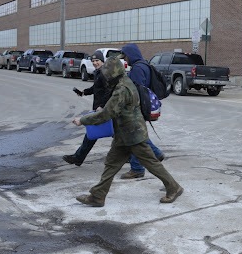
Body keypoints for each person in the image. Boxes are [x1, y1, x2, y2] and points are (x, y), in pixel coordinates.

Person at [72, 57, 183, 206]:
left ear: (113, 73)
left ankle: (174, 187)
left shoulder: (122, 89)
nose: (105, 77)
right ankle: (97, 196)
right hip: (124, 135)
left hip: (133, 135)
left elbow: (107, 113)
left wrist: (83, 120)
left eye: (107, 74)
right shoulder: (123, 82)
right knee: (111, 164)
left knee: (151, 163)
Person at [119, 43, 165, 179]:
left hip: (136, 107)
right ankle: (155, 153)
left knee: (135, 138)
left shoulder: (138, 68)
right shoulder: (144, 65)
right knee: (138, 136)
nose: (125, 60)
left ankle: (137, 168)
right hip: (141, 106)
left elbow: (136, 90)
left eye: (125, 57)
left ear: (130, 55)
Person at [63, 51, 113, 166]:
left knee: (116, 134)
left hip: (105, 110)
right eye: (93, 61)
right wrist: (84, 92)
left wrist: (102, 106)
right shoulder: (98, 73)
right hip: (100, 109)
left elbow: (109, 91)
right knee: (92, 134)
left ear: (102, 61)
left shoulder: (104, 73)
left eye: (97, 61)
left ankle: (136, 155)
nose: (95, 63)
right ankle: (78, 157)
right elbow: (96, 88)